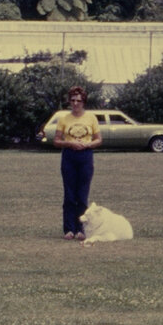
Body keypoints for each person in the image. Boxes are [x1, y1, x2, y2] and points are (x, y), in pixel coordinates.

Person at [50, 86, 101, 239]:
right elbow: (57, 141)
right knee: (70, 194)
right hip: (69, 156)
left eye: (78, 100)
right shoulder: (64, 119)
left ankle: (81, 229)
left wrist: (87, 144)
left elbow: (98, 139)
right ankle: (69, 229)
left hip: (85, 156)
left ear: (83, 101)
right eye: (72, 100)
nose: (75, 103)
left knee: (82, 195)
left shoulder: (91, 118)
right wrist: (70, 143)